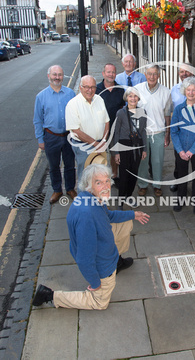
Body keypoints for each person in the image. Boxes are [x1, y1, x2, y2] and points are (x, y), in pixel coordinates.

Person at [32, 164, 150, 310]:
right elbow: (84, 258)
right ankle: (50, 295)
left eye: (107, 181)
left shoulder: (92, 198)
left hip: (103, 247)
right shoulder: (87, 216)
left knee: (127, 223)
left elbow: (108, 216)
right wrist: (95, 282)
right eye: (98, 182)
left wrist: (133, 214)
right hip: (103, 267)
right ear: (88, 186)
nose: (106, 186)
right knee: (99, 303)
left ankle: (117, 261)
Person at [33, 65, 77, 204]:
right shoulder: (41, 96)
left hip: (69, 136)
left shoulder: (70, 93)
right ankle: (57, 190)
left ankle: (70, 188)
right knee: (54, 166)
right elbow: (37, 119)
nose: (57, 77)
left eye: (59, 74)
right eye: (54, 74)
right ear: (49, 76)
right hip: (51, 137)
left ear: (63, 76)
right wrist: (40, 139)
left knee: (70, 165)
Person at [170, 77, 195, 214]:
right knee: (182, 176)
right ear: (184, 91)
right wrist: (180, 150)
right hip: (181, 149)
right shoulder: (179, 109)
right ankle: (180, 200)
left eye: (193, 90)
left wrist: (192, 151)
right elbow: (173, 131)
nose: (191, 92)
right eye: (188, 90)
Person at [135, 64, 172, 197]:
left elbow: (167, 114)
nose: (152, 76)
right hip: (141, 133)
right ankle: (142, 184)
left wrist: (167, 134)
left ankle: (157, 185)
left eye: (155, 74)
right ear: (145, 74)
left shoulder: (166, 92)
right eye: (149, 74)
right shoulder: (137, 90)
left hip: (158, 132)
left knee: (158, 161)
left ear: (159, 75)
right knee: (143, 160)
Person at [65, 75, 109, 183]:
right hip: (83, 147)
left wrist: (103, 141)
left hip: (100, 144)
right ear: (80, 88)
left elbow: (106, 121)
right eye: (86, 87)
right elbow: (77, 131)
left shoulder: (99, 99)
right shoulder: (72, 104)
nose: (90, 90)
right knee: (85, 178)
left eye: (93, 87)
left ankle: (100, 199)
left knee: (101, 177)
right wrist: (95, 144)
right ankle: (85, 200)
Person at [112, 87, 147, 207]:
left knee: (133, 173)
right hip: (124, 146)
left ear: (138, 98)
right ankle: (121, 200)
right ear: (126, 98)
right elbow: (116, 133)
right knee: (124, 174)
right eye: (130, 96)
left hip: (137, 146)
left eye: (135, 96)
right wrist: (116, 152)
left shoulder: (142, 112)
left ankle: (129, 196)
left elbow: (143, 132)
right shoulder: (120, 113)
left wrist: (144, 149)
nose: (133, 98)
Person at [96, 63, 125, 179]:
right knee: (100, 154)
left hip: (115, 128)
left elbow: (123, 108)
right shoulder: (97, 89)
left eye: (113, 72)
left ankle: (114, 175)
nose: (111, 74)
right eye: (108, 72)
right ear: (103, 73)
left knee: (115, 154)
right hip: (100, 129)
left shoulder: (120, 90)